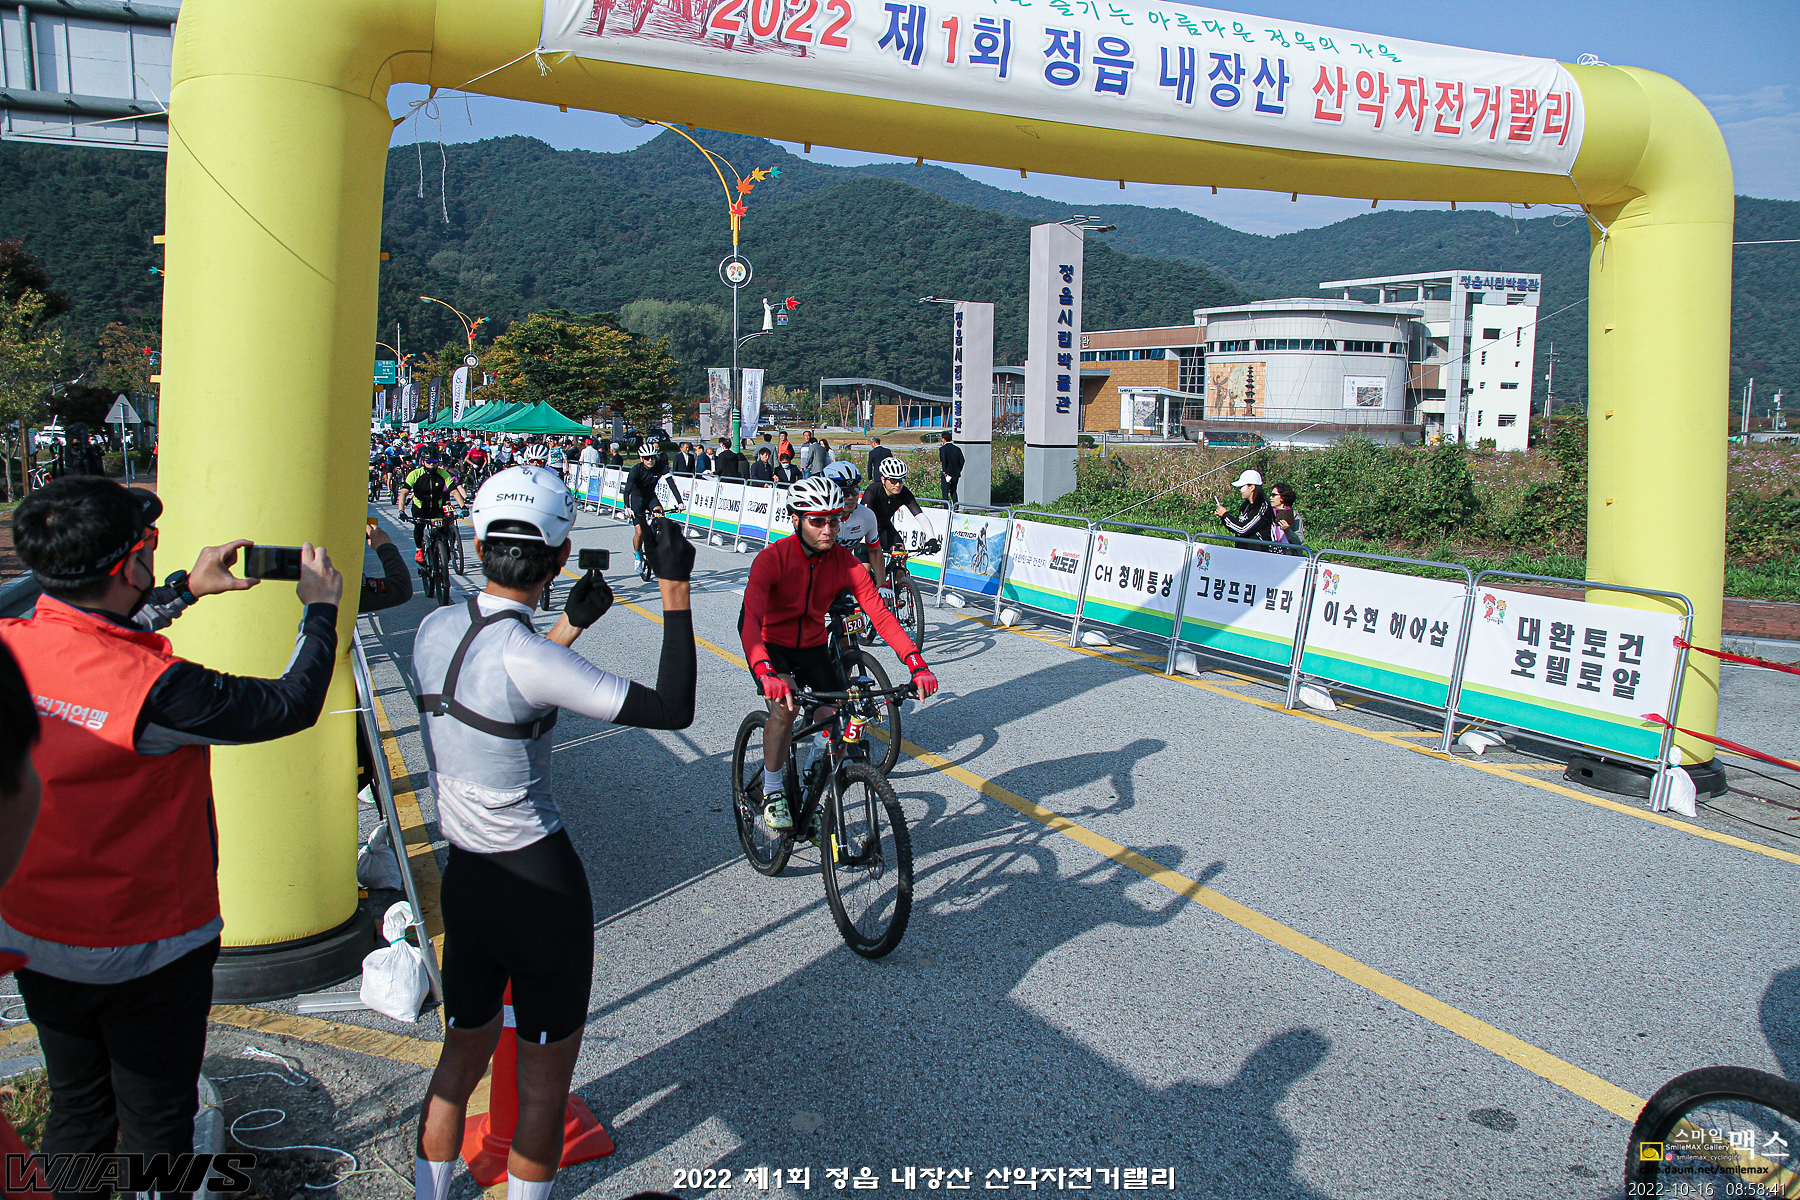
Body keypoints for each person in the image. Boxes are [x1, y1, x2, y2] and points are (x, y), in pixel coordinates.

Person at [0, 477, 343, 1192]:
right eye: (148, 545)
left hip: (34, 933)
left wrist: (184, 590)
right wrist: (320, 610)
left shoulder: (13, 645)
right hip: (149, 945)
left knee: (78, 1106)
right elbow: (289, 704)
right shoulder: (159, 690)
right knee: (158, 1125)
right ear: (130, 566)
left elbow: (93, 635)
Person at [410, 466, 695, 1200]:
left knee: (457, 1063)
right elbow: (673, 708)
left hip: (467, 879)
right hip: (540, 888)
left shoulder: (434, 630)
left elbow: (499, 685)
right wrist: (674, 588)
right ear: (563, 555)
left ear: (477, 545)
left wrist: (569, 624)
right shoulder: (535, 658)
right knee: (541, 1092)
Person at [739, 476, 938, 832]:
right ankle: (771, 789)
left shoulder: (845, 563)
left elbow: (881, 616)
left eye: (834, 520)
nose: (828, 530)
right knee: (786, 708)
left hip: (813, 646)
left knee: (837, 718)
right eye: (817, 521)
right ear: (796, 520)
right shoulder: (772, 560)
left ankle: (813, 787)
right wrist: (765, 672)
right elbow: (750, 620)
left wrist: (917, 663)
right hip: (772, 646)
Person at [398, 449, 472, 567]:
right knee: (419, 526)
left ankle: (443, 551)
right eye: (429, 462)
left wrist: (463, 507)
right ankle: (419, 550)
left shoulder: (443, 474)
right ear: (423, 462)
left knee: (443, 529)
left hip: (437, 507)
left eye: (435, 461)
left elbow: (454, 491)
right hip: (420, 507)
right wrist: (401, 511)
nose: (432, 464)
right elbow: (403, 493)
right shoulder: (414, 474)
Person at [624, 439, 682, 582]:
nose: (650, 460)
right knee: (639, 532)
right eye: (647, 458)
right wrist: (627, 507)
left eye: (653, 457)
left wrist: (680, 502)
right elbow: (627, 491)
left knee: (660, 515)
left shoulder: (661, 467)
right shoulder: (636, 470)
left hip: (650, 497)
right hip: (637, 499)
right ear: (641, 458)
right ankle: (638, 555)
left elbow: (671, 485)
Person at [863, 456, 926, 579]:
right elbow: (864, 518)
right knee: (865, 571)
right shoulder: (873, 490)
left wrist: (932, 538)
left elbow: (920, 515)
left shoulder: (904, 492)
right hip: (867, 530)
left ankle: (898, 587)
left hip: (885, 528)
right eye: (893, 481)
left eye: (901, 480)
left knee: (901, 557)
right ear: (883, 479)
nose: (898, 484)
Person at [825, 462, 881, 584]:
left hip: (843, 572)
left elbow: (875, 551)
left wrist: (883, 586)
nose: (850, 497)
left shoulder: (866, 515)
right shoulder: (816, 519)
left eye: (854, 490)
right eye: (844, 492)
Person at [1215, 469, 1275, 548]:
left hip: (1258, 553)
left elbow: (1242, 530)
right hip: (1242, 551)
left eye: (1242, 487)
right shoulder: (1245, 505)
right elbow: (1237, 527)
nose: (1240, 490)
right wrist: (1223, 517)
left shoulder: (1263, 507)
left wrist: (1225, 515)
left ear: (1252, 487)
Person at [1269, 482, 1306, 554]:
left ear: (1282, 497)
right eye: (1271, 495)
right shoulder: (1268, 514)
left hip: (1290, 555)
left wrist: (1288, 531)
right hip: (1271, 554)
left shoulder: (1294, 516)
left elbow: (1299, 541)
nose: (1271, 497)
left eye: (1274, 495)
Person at [938, 430, 965, 504]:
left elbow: (943, 460)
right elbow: (962, 460)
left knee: (945, 492)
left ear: (944, 439)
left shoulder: (943, 449)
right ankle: (956, 505)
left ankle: (946, 507)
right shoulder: (957, 449)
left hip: (947, 474)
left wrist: (944, 470)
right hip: (956, 474)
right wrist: (959, 469)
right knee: (953, 490)